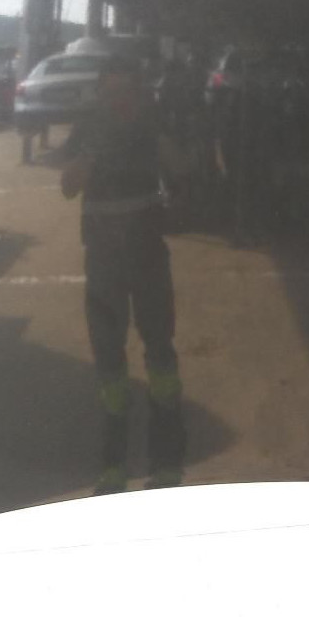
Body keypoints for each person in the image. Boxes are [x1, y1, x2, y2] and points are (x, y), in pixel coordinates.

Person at [61, 55, 192, 494]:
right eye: (112, 92)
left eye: (129, 92)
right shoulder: (88, 128)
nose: (121, 101)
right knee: (109, 362)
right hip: (104, 259)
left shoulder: (152, 126)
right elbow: (68, 187)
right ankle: (113, 467)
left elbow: (182, 170)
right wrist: (90, 151)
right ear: (100, 93)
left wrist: (157, 136)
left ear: (141, 94)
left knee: (161, 357)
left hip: (148, 255)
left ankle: (167, 464)